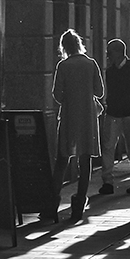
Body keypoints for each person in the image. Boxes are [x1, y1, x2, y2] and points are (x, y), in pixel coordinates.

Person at [52, 29, 105, 222]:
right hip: (88, 117)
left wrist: (69, 97)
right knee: (85, 159)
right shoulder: (91, 64)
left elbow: (57, 94)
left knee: (62, 159)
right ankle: (80, 203)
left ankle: (52, 203)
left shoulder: (63, 66)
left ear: (64, 47)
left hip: (68, 116)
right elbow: (99, 92)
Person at [98, 39, 130, 196]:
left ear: (119, 52)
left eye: (110, 52)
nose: (108, 55)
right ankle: (107, 182)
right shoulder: (110, 71)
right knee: (108, 147)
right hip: (114, 113)